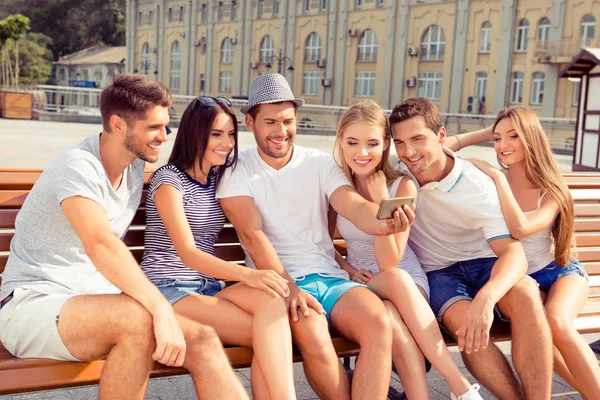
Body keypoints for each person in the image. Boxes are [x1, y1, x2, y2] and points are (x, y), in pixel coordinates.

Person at [0, 74, 247, 399]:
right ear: (118, 124)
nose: (164, 136)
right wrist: (160, 307)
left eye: (166, 125)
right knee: (137, 321)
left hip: (98, 303)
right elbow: (100, 242)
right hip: (35, 304)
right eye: (153, 127)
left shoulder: (132, 165)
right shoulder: (78, 167)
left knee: (203, 340)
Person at [216, 73, 412, 400]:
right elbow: (252, 236)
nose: (281, 131)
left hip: (331, 278)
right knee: (313, 331)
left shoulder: (319, 163)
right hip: (280, 282)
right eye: (271, 122)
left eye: (288, 121)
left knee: (379, 322)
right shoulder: (236, 170)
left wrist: (384, 223)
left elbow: (352, 204)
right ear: (250, 122)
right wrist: (290, 288)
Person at [389, 97, 554, 399]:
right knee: (465, 323)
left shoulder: (475, 184)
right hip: (439, 273)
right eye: (399, 142)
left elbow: (513, 252)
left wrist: (487, 298)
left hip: (484, 263)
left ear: (440, 137)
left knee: (527, 294)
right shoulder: (397, 173)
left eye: (417, 139)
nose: (408, 152)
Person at [140, 95, 296, 399]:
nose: (227, 143)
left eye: (231, 134)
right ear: (195, 134)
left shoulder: (218, 178)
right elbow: (187, 252)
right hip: (169, 288)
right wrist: (248, 275)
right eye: (216, 134)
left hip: (208, 288)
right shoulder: (168, 181)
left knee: (271, 301)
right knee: (269, 335)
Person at [330, 100, 482, 399]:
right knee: (389, 318)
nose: (363, 153)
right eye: (353, 142)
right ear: (341, 142)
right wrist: (348, 269)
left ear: (386, 144)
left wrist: (378, 202)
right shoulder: (336, 185)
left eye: (372, 143)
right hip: (361, 282)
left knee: (394, 294)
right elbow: (322, 243)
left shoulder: (402, 186)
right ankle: (458, 388)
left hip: (405, 280)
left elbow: (389, 263)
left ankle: (457, 385)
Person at [445, 106, 600, 398]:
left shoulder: (552, 189)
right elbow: (438, 149)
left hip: (561, 272)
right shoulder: (488, 181)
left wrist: (499, 178)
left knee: (556, 321)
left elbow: (521, 228)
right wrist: (484, 133)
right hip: (520, 280)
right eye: (498, 138)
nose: (503, 146)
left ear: (531, 138)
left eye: (513, 136)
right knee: (540, 336)